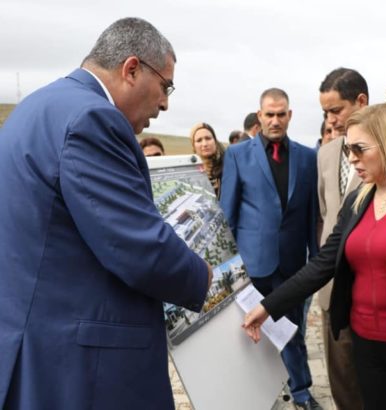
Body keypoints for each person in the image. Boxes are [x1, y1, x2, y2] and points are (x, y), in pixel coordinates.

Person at [0, 18, 212, 410]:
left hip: (35, 345)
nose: (165, 103)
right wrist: (202, 275)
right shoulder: (92, 119)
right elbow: (136, 246)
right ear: (131, 69)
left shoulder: (37, 106)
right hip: (78, 369)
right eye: (165, 86)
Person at [244, 103, 386, 410]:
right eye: (349, 149)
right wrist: (269, 307)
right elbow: (323, 264)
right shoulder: (357, 200)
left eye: (360, 149)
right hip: (364, 345)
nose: (351, 158)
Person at [220, 88, 321, 410]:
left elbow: (311, 216)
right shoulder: (237, 155)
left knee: (291, 331)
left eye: (281, 114)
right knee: (247, 332)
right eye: (269, 114)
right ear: (260, 116)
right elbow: (228, 214)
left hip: (292, 265)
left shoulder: (308, 158)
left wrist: (315, 263)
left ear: (289, 115)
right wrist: (228, 267)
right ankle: (252, 396)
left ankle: (301, 392)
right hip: (251, 265)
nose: (275, 120)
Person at [317, 67, 366, 410]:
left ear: (361, 101)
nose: (330, 120)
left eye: (336, 110)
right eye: (325, 113)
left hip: (374, 290)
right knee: (341, 381)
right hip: (332, 287)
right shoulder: (326, 153)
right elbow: (326, 212)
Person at [190, 122, 225, 198]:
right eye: (199, 140)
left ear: (215, 141)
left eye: (208, 138)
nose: (205, 144)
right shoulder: (190, 173)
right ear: (194, 146)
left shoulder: (228, 166)